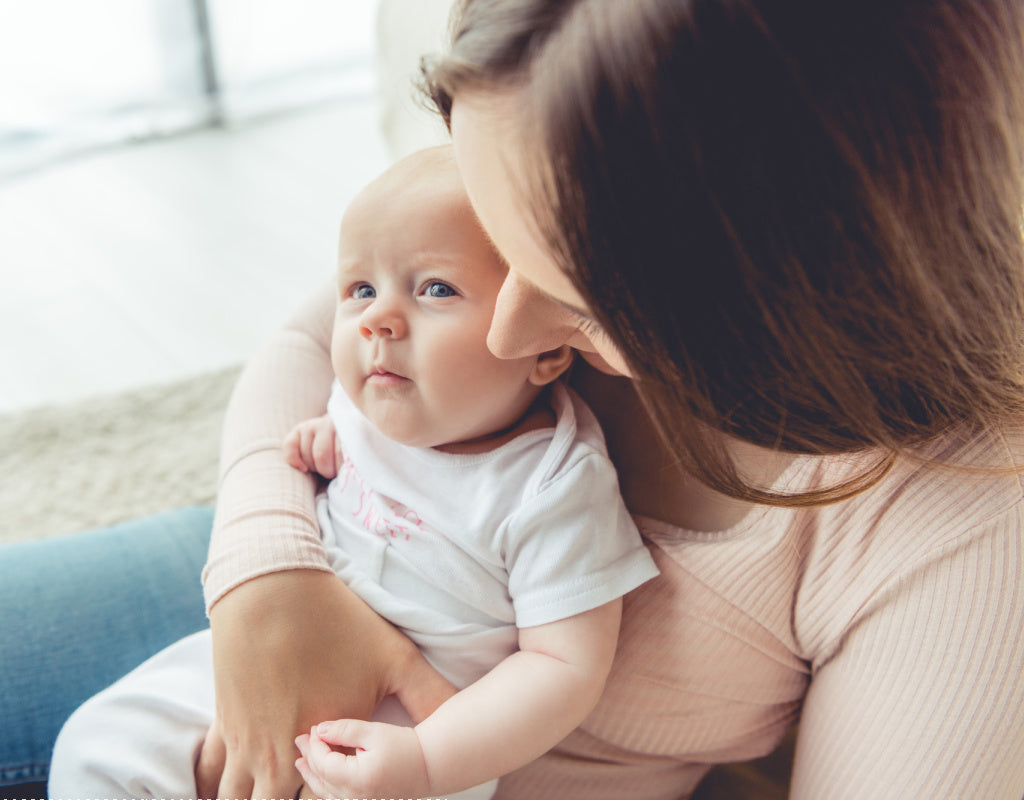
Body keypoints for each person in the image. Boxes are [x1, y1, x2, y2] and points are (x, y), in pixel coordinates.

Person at [4, 0, 1024, 798]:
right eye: (499, 246)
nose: (506, 334)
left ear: (785, 294)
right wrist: (265, 567)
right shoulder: (556, 137)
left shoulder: (962, 518)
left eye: (585, 306)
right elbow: (307, 342)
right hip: (296, 545)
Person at [46, 145, 658, 800]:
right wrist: (327, 436)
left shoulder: (554, 486)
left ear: (546, 346)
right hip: (275, 649)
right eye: (360, 289)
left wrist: (425, 758)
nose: (377, 319)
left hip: (401, 743)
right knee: (100, 744)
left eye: (436, 289)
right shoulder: (373, 402)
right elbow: (309, 384)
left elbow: (563, 666)